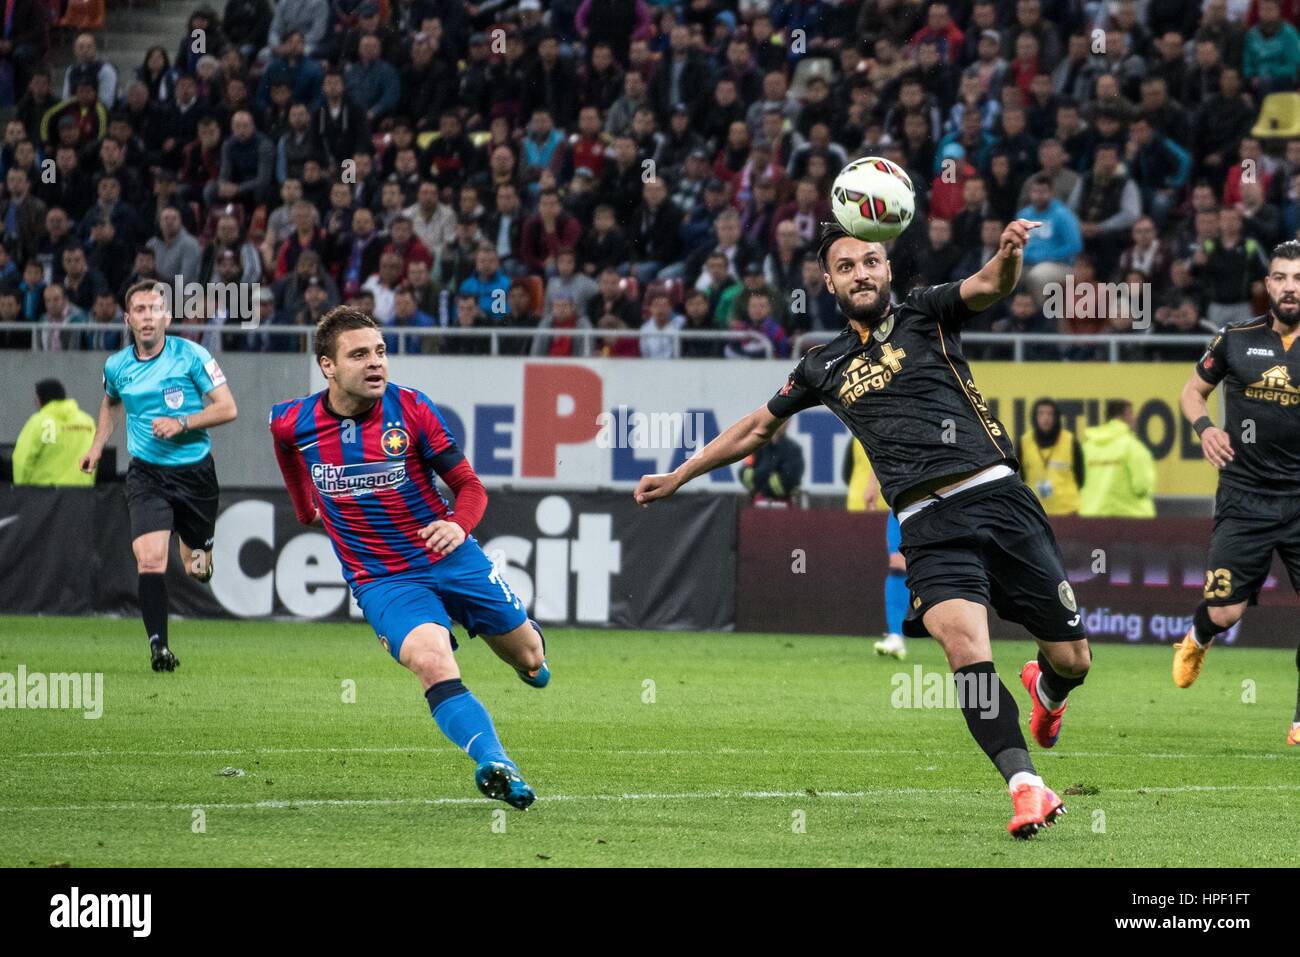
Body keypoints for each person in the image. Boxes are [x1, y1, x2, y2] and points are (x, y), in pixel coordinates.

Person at [635, 217, 1093, 839]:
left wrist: (1009, 252)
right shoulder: (821, 365)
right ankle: (1026, 786)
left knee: (1073, 658)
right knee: (966, 651)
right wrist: (681, 474)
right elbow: (755, 428)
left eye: (870, 262)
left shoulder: (926, 313)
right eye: (846, 267)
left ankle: (1048, 688)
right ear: (828, 281)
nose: (861, 274)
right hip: (927, 524)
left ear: (887, 269)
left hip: (999, 499)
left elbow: (988, 285)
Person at [269, 307, 548, 809]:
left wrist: (457, 525)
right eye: (359, 355)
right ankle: (496, 762)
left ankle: (529, 659)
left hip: (450, 557)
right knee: (430, 660)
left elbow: (469, 486)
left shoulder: (412, 409)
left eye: (380, 352)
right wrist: (302, 504)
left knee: (530, 657)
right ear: (327, 366)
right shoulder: (295, 420)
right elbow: (285, 447)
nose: (376, 364)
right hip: (382, 577)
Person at [1174, 241, 1300, 747]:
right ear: (1266, 285)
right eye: (1280, 278)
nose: (1290, 286)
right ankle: (1201, 636)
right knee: (1226, 610)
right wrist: (1205, 428)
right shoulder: (1235, 339)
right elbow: (1190, 392)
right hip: (1245, 497)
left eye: (1298, 277)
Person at [79, 282, 239, 672]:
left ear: (167, 316)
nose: (147, 316)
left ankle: (201, 553)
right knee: (150, 559)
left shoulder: (191, 355)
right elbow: (111, 405)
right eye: (140, 309)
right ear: (128, 319)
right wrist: (97, 446)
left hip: (195, 475)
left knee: (196, 568)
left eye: (154, 309)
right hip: (147, 475)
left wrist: (182, 422)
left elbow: (228, 408)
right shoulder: (117, 366)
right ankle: (159, 648)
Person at [844, 439, 910, 660]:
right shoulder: (893, 418)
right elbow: (882, 448)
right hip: (901, 497)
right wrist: (873, 483)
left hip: (930, 497)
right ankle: (895, 635)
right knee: (897, 562)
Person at [1078, 400, 1157, 518]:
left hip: (1092, 516)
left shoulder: (1087, 447)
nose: (1134, 418)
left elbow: (1078, 482)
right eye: (1131, 413)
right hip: (1131, 518)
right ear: (1124, 416)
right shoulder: (1132, 446)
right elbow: (1142, 486)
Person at [12, 379, 95, 486]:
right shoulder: (87, 422)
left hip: (45, 496)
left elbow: (23, 459)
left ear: (40, 399)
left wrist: (21, 489)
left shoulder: (38, 422)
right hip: (81, 495)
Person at [1018, 398, 1084, 516]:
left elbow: (1081, 477)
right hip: (1035, 510)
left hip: (1067, 510)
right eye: (1041, 413)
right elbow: (1020, 477)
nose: (1045, 418)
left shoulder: (1070, 441)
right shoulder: (1024, 443)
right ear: (1034, 417)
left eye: (1050, 414)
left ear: (1056, 417)